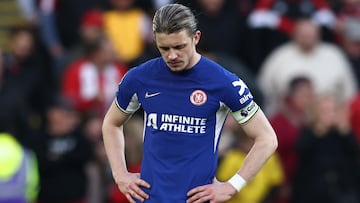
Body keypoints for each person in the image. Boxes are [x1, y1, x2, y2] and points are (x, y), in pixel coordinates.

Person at [102, 3, 278, 203]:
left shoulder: (223, 82)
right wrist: (120, 175)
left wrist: (232, 186)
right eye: (164, 48)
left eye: (179, 46)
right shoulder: (139, 78)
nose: (172, 55)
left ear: (196, 38)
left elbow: (267, 138)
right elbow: (111, 123)